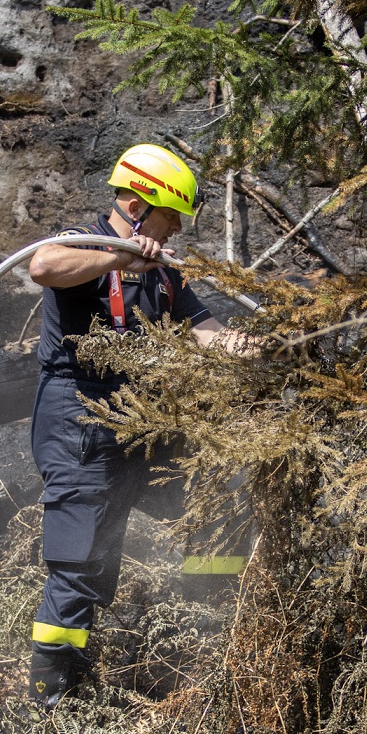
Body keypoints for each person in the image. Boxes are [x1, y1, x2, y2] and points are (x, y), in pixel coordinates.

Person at [25, 143, 239, 705]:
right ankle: (56, 702)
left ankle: (212, 630)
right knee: (82, 558)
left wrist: (285, 348)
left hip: (144, 421)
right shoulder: (87, 243)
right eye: (172, 217)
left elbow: (213, 334)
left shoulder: (165, 274)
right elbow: (42, 266)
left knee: (214, 505)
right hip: (81, 421)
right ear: (142, 204)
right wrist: (120, 258)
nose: (175, 231)